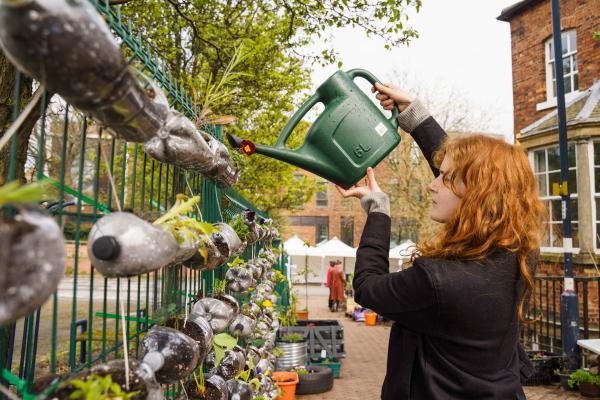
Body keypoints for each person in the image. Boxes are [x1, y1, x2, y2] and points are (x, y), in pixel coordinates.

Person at [336, 82, 544, 400]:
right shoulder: (520, 252)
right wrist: (415, 115)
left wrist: (378, 210)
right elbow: (465, 172)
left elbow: (367, 286)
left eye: (443, 178)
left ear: (476, 197)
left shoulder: (436, 281)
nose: (432, 185)